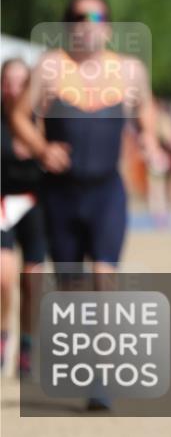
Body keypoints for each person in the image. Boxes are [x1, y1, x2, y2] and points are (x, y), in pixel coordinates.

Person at [9, 0, 166, 409]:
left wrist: (149, 141)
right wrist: (42, 149)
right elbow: (18, 116)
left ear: (108, 26)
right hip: (60, 195)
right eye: (79, 17)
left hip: (105, 192)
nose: (88, 23)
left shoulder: (129, 70)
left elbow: (145, 111)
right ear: (68, 25)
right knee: (72, 287)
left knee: (104, 276)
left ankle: (102, 379)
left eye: (97, 16)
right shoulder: (50, 67)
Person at [0, 58, 46, 377]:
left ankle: (26, 346)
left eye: (20, 82)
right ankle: (3, 337)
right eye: (8, 82)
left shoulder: (41, 118)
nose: (15, 88)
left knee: (32, 279)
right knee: (3, 277)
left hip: (35, 203)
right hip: (2, 201)